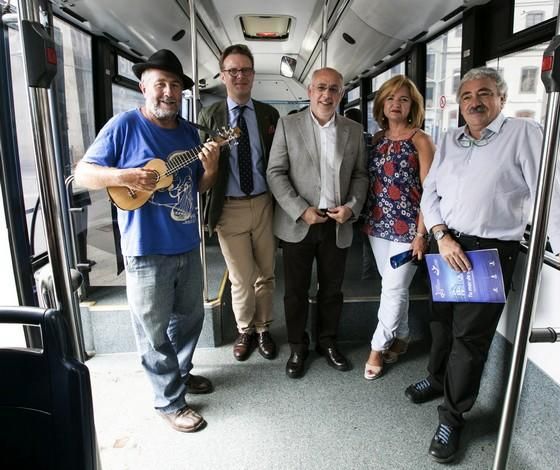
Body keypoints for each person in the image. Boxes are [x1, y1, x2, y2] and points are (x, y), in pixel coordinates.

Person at [410, 67, 560, 463]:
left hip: (488, 251)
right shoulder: (450, 139)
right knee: (440, 322)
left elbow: (551, 193)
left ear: (502, 99)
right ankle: (436, 377)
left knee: (469, 340)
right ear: (459, 104)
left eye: (485, 93)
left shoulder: (525, 135)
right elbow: (431, 195)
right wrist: (441, 236)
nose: (474, 102)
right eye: (466, 96)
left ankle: (453, 416)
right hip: (446, 245)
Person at [75, 49, 221, 433]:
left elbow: (198, 187)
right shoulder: (124, 126)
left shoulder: (190, 132)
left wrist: (211, 169)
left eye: (175, 85)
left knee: (190, 320)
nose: (168, 92)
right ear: (144, 87)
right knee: (153, 332)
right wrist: (123, 177)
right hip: (144, 250)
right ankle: (169, 402)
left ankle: (180, 375)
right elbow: (84, 174)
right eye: (161, 84)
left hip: (187, 245)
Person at [266, 67, 369, 379]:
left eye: (334, 89)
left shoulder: (353, 130)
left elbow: (360, 175)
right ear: (309, 91)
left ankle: (328, 342)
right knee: (295, 290)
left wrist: (352, 208)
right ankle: (298, 345)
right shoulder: (288, 125)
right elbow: (275, 173)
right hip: (300, 222)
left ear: (341, 93)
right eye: (321, 88)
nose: (327, 95)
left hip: (337, 223)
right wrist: (300, 209)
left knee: (332, 290)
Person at [198, 44, 280, 362]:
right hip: (228, 206)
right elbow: (201, 172)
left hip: (263, 204)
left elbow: (277, 161)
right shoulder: (210, 116)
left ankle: (264, 329)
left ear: (253, 75)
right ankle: (244, 329)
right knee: (241, 277)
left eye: (245, 70)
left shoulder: (268, 115)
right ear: (222, 76)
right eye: (233, 70)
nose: (239, 76)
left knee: (267, 273)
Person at [360, 75, 434, 380]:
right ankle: (402, 337)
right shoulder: (376, 140)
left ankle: (377, 348)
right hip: (377, 226)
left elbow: (431, 192)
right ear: (382, 103)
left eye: (403, 99)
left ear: (412, 106)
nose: (396, 104)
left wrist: (422, 234)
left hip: (408, 230)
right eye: (390, 98)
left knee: (392, 289)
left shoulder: (421, 140)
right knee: (394, 288)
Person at [344, 107, 379, 281]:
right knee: (368, 234)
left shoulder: (347, 137)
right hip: (371, 190)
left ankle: (364, 271)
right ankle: (369, 271)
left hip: (353, 190)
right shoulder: (371, 138)